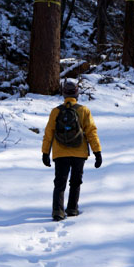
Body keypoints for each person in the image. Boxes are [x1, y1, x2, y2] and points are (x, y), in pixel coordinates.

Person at [42, 78, 102, 221]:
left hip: (60, 152)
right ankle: (72, 208)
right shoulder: (84, 110)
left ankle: (58, 211)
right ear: (77, 94)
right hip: (79, 152)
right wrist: (97, 152)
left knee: (60, 182)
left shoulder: (55, 112)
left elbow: (48, 133)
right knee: (75, 182)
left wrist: (45, 153)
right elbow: (91, 132)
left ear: (63, 94)